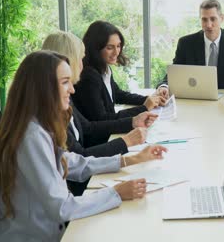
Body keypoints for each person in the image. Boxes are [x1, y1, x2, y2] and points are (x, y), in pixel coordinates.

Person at [0, 51, 167, 241]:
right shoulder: (32, 136)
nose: (72, 90)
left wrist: (129, 159)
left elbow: (73, 164)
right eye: (65, 82)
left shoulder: (37, 124)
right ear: (42, 88)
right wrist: (116, 193)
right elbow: (62, 208)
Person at [42, 31, 159, 195]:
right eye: (81, 59)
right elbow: (78, 159)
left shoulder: (62, 95)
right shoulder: (50, 110)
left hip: (81, 179)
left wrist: (131, 123)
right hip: (75, 188)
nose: (83, 65)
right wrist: (124, 143)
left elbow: (88, 127)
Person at [156, 0, 224, 98]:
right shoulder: (186, 43)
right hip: (195, 98)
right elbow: (174, 73)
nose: (209, 25)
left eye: (213, 19)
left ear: (221, 18)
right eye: (204, 19)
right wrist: (164, 86)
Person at [72, 20, 166, 121]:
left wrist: (148, 99)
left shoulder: (104, 68)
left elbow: (118, 94)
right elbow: (102, 118)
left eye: (118, 46)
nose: (116, 52)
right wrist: (144, 108)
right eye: (110, 47)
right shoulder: (89, 76)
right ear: (96, 48)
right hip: (103, 135)